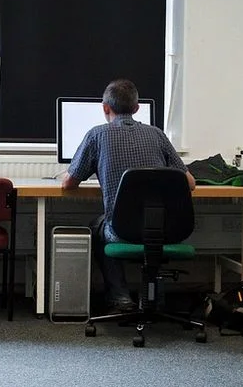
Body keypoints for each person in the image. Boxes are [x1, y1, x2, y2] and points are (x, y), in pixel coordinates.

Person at [60, 79, 195, 313]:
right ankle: (154, 298)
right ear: (136, 108)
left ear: (105, 108)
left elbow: (69, 184)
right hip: (166, 229)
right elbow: (190, 184)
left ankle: (120, 297)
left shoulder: (97, 135)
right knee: (150, 228)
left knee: (98, 225)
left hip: (121, 231)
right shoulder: (157, 135)